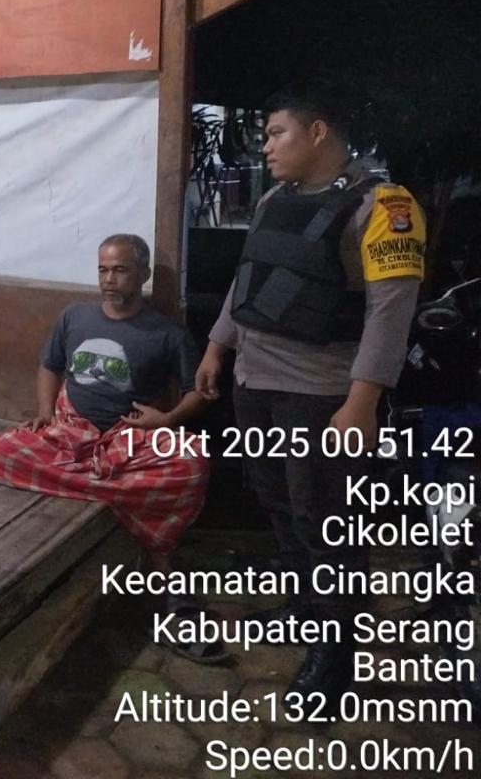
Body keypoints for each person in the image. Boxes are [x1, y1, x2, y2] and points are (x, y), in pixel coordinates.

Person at [195, 83, 426, 709]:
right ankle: (306, 608)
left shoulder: (385, 206)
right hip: (256, 384)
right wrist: (217, 347)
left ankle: (335, 652)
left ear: (317, 132)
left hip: (321, 394)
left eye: (277, 134)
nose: (267, 147)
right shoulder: (276, 198)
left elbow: (390, 311)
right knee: (277, 503)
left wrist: (363, 401)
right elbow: (248, 279)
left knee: (325, 522)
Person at [0, 234, 216, 658]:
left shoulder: (167, 333)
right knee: (2, 451)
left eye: (120, 270)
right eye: (103, 270)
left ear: (143, 274)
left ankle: (93, 482)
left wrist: (166, 420)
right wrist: (46, 413)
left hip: (129, 438)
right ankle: (116, 490)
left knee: (193, 462)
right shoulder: (74, 316)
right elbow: (49, 366)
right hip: (69, 432)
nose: (109, 279)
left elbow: (198, 393)